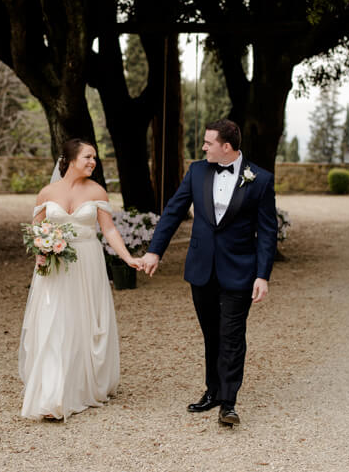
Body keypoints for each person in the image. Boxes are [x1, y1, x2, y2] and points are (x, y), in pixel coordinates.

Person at [140, 119, 277, 426]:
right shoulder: (197, 171)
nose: (203, 147)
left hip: (240, 269)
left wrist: (262, 275)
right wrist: (154, 251)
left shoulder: (261, 179)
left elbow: (268, 232)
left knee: (231, 335)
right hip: (201, 268)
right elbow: (174, 211)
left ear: (225, 146)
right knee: (211, 334)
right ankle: (213, 390)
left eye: (207, 143)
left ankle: (228, 403)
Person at [19, 138, 142, 420]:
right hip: (55, 266)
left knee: (85, 321)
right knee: (54, 322)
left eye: (95, 158)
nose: (93, 162)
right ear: (71, 159)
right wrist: (40, 250)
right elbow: (35, 230)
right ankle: (52, 396)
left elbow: (108, 230)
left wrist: (127, 258)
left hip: (88, 262)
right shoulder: (47, 192)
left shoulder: (97, 190)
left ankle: (84, 383)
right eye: (88, 157)